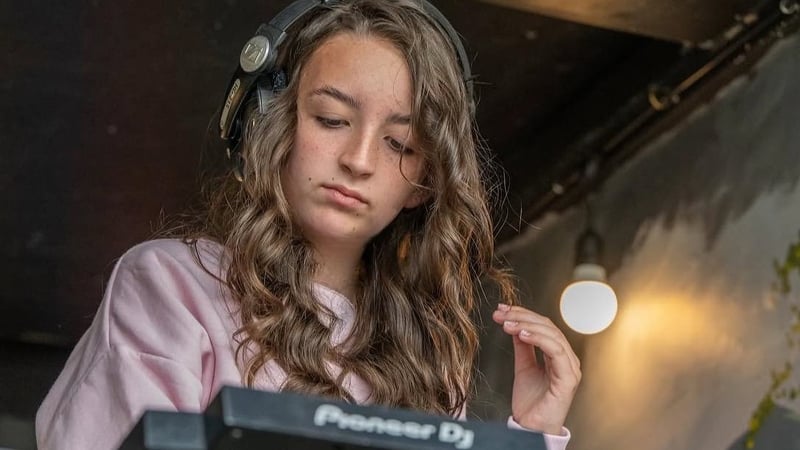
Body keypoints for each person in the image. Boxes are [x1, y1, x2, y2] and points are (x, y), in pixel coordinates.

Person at [35, 0, 581, 448]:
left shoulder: (425, 358)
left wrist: (531, 437)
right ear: (269, 122)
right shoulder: (171, 285)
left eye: (400, 143)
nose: (359, 160)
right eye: (332, 119)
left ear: (425, 181)